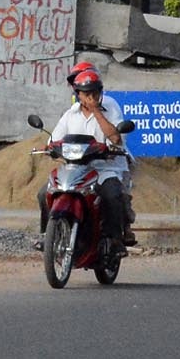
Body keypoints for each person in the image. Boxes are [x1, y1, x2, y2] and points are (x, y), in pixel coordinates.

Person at [34, 62, 135, 249]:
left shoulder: (110, 106)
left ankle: (113, 240)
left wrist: (96, 111)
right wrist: (49, 147)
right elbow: (55, 139)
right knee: (44, 192)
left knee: (112, 195)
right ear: (77, 94)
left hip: (106, 168)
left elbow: (116, 139)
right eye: (85, 92)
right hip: (76, 167)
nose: (91, 96)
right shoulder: (71, 114)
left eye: (94, 92)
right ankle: (46, 236)